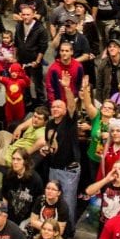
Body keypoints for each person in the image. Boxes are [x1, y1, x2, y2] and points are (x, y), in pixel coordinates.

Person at [41, 75, 80, 228]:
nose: (55, 109)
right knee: (53, 201)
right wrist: (46, 149)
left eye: (59, 107)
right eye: (53, 107)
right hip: (53, 168)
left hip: (68, 169)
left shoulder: (69, 121)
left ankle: (69, 231)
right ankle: (53, 229)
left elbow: (72, 106)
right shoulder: (50, 123)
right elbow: (49, 142)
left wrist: (66, 87)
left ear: (65, 110)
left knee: (68, 202)